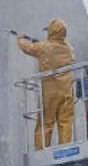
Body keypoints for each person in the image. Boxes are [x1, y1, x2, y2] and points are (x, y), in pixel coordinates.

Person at [18, 19, 75, 149]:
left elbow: (28, 48)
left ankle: (41, 150)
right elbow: (52, 50)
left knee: (46, 122)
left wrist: (20, 39)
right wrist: (40, 44)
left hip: (50, 90)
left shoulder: (44, 47)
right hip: (67, 90)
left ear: (51, 32)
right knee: (65, 121)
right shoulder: (69, 48)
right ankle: (65, 149)